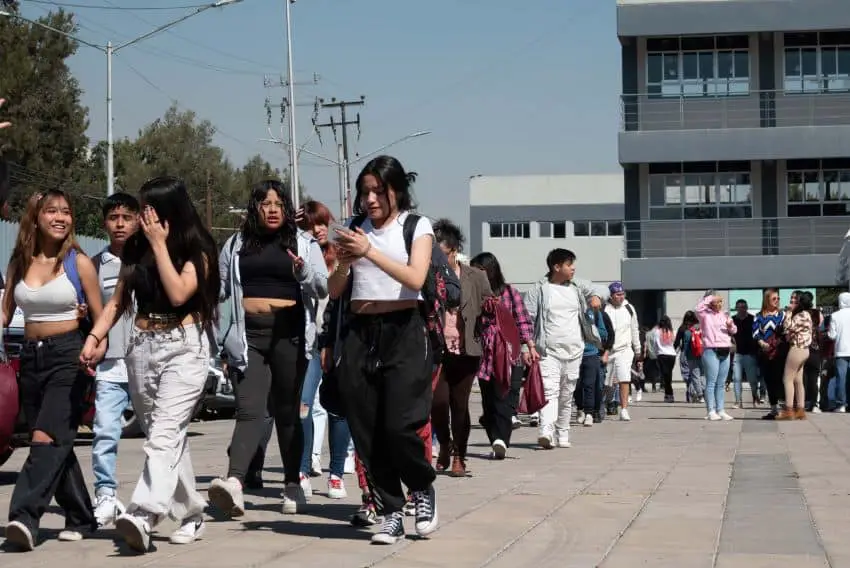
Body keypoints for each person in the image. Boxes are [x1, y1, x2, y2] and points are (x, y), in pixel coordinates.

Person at [80, 176, 220, 553]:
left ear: (169, 209)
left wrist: (159, 245)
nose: (142, 216)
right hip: (141, 347)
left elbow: (177, 293)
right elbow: (117, 302)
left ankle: (143, 513)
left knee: (162, 435)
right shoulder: (135, 248)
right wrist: (95, 337)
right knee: (166, 435)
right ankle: (191, 513)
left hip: (184, 348)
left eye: (148, 208)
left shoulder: (199, 248)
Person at [328, 155, 438, 545]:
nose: (370, 200)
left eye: (379, 191)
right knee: (367, 430)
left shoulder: (415, 226)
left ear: (397, 191)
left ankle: (422, 488)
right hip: (360, 331)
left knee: (399, 425)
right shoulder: (354, 229)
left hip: (403, 330)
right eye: (365, 192)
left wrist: (368, 252)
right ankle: (391, 510)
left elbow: (415, 277)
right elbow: (335, 290)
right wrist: (343, 262)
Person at [210, 181, 328, 517]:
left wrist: (302, 271)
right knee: (250, 410)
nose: (272, 208)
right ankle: (235, 482)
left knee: (287, 413)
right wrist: (220, 340)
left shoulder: (303, 243)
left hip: (289, 335)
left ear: (288, 209)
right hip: (248, 337)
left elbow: (321, 287)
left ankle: (292, 482)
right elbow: (221, 293)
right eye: (265, 202)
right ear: (255, 208)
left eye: (278, 203)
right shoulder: (234, 245)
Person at [3, 190, 103, 551]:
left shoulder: (79, 263)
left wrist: (95, 345)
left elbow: (101, 316)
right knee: (55, 441)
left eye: (66, 212)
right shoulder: (20, 261)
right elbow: (5, 312)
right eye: (51, 211)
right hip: (29, 358)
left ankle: (24, 517)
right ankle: (81, 517)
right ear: (36, 217)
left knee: (44, 438)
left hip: (69, 357)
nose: (60, 217)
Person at [90, 193, 140, 528]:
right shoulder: (95, 264)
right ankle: (105, 495)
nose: (119, 223)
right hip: (110, 364)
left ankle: (161, 500)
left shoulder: (150, 258)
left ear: (138, 220)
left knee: (162, 437)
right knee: (105, 432)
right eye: (113, 217)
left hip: (148, 363)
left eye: (126, 216)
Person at [431, 219, 492, 476]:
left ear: (454, 250)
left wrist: (488, 308)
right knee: (438, 403)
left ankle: (459, 455)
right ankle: (444, 443)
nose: (437, 259)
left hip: (467, 348)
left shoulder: (475, 276)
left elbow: (489, 304)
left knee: (460, 404)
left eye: (442, 254)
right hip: (437, 348)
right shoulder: (427, 274)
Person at [524, 249, 599, 448]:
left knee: (567, 393)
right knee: (550, 390)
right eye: (569, 264)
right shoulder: (539, 289)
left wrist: (595, 297)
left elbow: (600, 290)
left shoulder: (576, 287)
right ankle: (546, 432)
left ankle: (563, 432)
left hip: (575, 350)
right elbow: (527, 320)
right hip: (548, 351)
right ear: (557, 267)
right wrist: (527, 346)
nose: (573, 268)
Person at [469, 252, 536, 457]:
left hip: (509, 352)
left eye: (479, 271)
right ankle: (495, 438)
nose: (476, 275)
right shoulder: (472, 294)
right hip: (484, 353)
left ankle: (501, 440)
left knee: (506, 397)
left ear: (491, 271)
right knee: (489, 400)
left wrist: (529, 347)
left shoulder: (509, 293)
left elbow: (522, 321)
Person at [603, 282, 641, 421]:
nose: (620, 297)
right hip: (608, 350)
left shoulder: (629, 308)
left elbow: (634, 328)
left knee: (624, 378)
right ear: (611, 295)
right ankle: (604, 403)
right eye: (617, 295)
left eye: (622, 294)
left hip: (624, 349)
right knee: (606, 383)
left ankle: (624, 409)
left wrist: (638, 349)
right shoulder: (605, 309)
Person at [696, 292, 736, 421]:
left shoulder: (724, 314)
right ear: (711, 301)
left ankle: (721, 410)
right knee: (711, 382)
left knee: (721, 383)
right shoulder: (704, 314)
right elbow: (697, 308)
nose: (719, 304)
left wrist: (730, 326)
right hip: (711, 349)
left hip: (725, 348)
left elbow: (734, 330)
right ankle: (711, 411)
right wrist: (710, 297)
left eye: (720, 301)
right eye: (716, 301)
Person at [779, 291, 815, 420]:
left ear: (800, 302)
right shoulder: (806, 314)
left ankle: (788, 410)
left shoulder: (801, 315)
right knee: (798, 380)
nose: (792, 302)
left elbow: (787, 328)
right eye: (791, 299)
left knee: (787, 379)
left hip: (797, 349)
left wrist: (788, 313)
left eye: (795, 300)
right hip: (804, 350)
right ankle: (800, 410)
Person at [827, 292, 850, 413]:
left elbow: (832, 335)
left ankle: (841, 404)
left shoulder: (835, 315)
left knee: (841, 378)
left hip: (841, 351)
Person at [654, 315, 677, 403]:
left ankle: (669, 394)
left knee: (665, 375)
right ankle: (668, 394)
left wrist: (656, 353)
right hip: (672, 355)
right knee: (668, 375)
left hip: (662, 354)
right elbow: (675, 343)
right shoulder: (672, 331)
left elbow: (655, 344)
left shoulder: (657, 332)